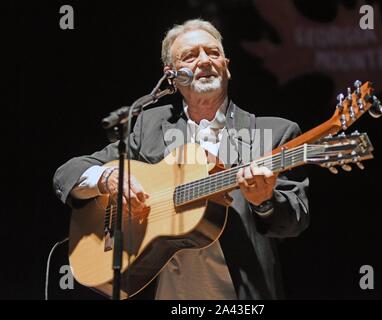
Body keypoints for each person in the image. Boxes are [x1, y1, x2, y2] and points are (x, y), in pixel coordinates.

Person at [53, 19, 309, 300]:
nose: (204, 61)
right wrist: (108, 178)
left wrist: (263, 202)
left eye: (212, 53)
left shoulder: (273, 133)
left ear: (226, 65)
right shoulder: (148, 126)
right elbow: (70, 172)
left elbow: (294, 221)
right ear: (172, 76)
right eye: (190, 56)